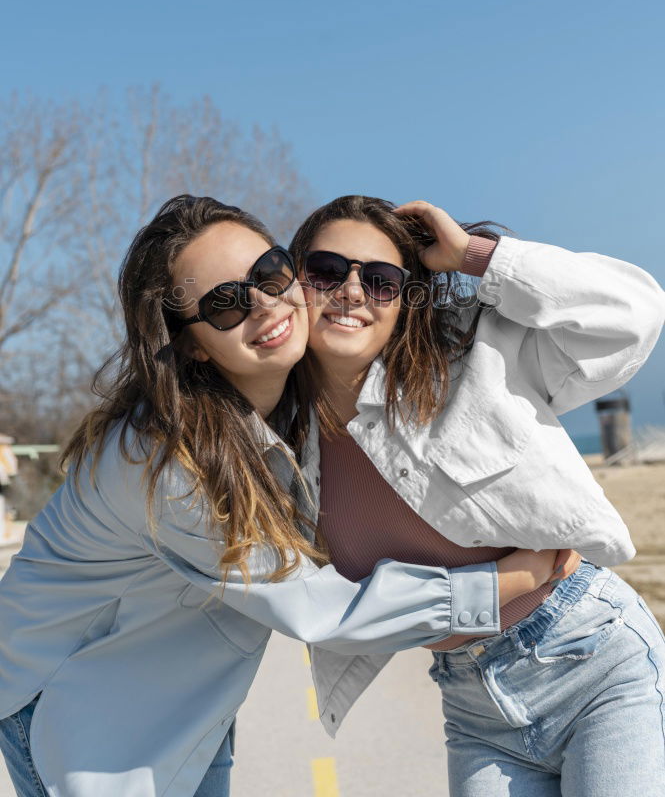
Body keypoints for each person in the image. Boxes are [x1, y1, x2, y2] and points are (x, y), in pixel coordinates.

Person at [0, 194, 562, 797]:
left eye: (270, 273)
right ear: (189, 342)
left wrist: (477, 260)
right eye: (224, 303)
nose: (265, 304)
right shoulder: (163, 460)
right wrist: (508, 583)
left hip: (185, 711)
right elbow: (318, 607)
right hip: (81, 709)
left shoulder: (277, 409)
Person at [289, 194, 665, 796]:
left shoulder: (473, 357)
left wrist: (474, 257)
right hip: (474, 708)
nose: (353, 292)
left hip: (591, 658)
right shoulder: (279, 446)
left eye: (383, 280)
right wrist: (501, 585)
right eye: (327, 271)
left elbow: (634, 314)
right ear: (294, 283)